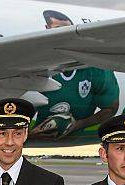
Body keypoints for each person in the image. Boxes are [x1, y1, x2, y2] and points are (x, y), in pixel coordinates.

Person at [29, 10, 119, 140]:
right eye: (58, 30)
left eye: (68, 31)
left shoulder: (94, 68)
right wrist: (30, 134)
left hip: (77, 134)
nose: (64, 37)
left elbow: (111, 108)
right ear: (47, 30)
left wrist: (78, 124)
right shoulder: (34, 67)